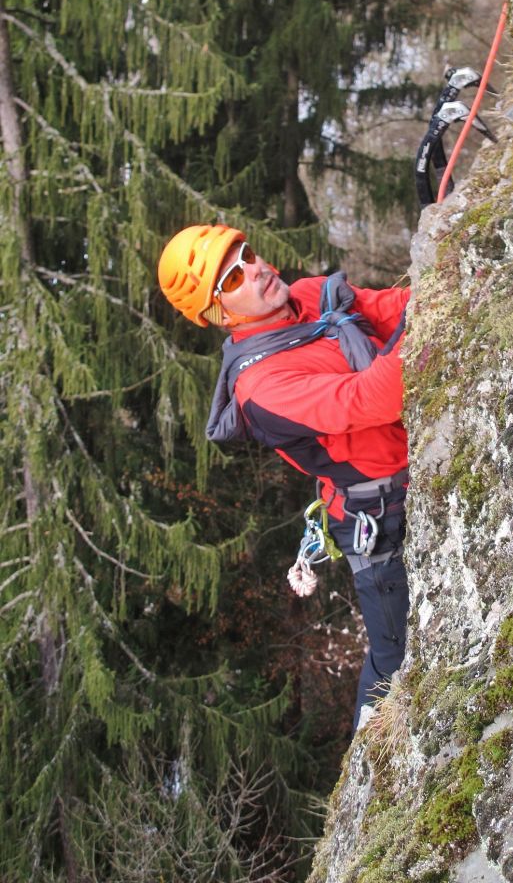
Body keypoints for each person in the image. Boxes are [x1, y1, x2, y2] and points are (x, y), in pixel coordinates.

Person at [157, 224, 410, 729]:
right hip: (380, 519)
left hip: (411, 472)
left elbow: (390, 307)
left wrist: (445, 288)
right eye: (231, 279)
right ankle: (373, 759)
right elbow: (373, 399)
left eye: (246, 254)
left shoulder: (311, 295)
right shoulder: (263, 388)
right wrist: (433, 319)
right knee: (395, 657)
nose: (254, 269)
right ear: (219, 315)